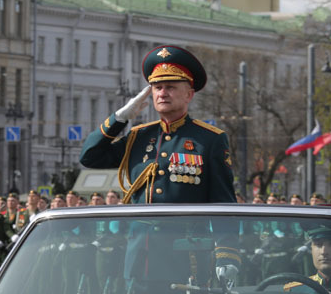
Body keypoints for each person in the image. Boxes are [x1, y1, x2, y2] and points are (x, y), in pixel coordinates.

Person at [79, 45, 236, 204]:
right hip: (141, 228)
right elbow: (90, 157)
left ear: (189, 95)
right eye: (157, 88)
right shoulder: (138, 137)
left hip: (186, 228)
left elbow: (223, 202)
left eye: (170, 87)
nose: (162, 94)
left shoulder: (210, 139)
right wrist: (118, 118)